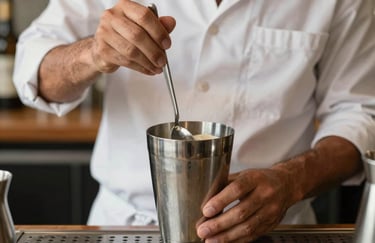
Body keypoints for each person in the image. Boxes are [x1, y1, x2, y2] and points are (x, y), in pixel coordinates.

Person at [13, 0, 375, 242]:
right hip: (125, 224)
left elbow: (359, 113)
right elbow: (34, 70)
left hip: (273, 227)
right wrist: (93, 52)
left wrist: (291, 182)